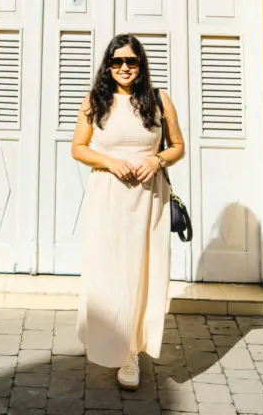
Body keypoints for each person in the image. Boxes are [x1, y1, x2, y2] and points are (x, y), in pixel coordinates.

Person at [71, 33, 185, 390]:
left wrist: (156, 159)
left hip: (148, 200)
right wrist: (109, 162)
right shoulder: (95, 100)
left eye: (131, 61)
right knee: (108, 272)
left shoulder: (158, 99)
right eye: (117, 61)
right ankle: (109, 340)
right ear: (108, 65)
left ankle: (131, 352)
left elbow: (178, 146)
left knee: (142, 272)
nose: (124, 67)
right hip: (108, 197)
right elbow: (78, 147)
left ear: (140, 64)